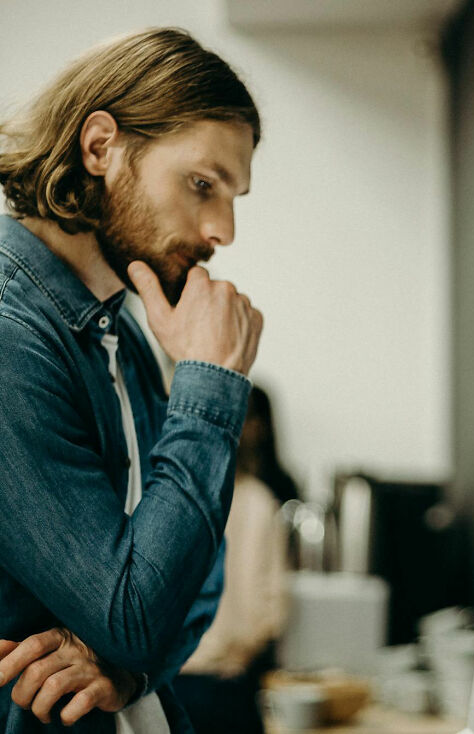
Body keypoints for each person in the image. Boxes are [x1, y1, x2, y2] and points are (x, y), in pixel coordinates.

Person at [0, 28, 263, 733]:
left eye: (233, 195)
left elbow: (200, 575)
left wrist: (127, 669)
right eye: (202, 184)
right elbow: (136, 612)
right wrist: (210, 381)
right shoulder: (7, 334)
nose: (224, 229)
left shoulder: (125, 334)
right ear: (99, 148)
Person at [173, 387, 297, 733]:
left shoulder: (171, 497)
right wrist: (242, 650)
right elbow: (272, 604)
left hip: (169, 678)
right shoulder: (260, 501)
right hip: (227, 681)